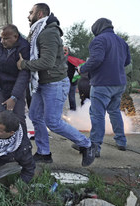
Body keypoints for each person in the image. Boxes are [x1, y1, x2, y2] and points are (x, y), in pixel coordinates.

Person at [16, 3, 96, 166]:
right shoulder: (38, 31)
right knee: (35, 116)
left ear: (39, 14)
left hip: (54, 83)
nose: (28, 15)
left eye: (31, 12)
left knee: (52, 121)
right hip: (43, 82)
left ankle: (87, 145)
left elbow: (47, 61)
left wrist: (23, 64)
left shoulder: (48, 32)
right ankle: (44, 153)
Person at [78, 18, 131, 157]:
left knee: (97, 115)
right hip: (119, 83)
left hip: (102, 83)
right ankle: (121, 141)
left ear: (97, 28)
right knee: (114, 111)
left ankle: (95, 147)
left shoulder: (99, 40)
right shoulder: (122, 41)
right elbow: (127, 61)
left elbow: (96, 59)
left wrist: (82, 69)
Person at [0, 24, 30, 140]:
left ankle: (23, 151)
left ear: (16, 37)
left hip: (16, 87)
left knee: (19, 119)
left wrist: (14, 97)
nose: (2, 41)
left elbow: (24, 74)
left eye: (6, 39)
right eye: (2, 37)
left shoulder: (25, 46)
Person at [63, 46, 78, 111]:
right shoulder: (60, 59)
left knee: (71, 98)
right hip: (62, 82)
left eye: (65, 50)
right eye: (63, 50)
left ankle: (73, 112)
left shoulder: (72, 59)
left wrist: (75, 80)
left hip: (72, 82)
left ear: (68, 51)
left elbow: (79, 70)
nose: (64, 51)